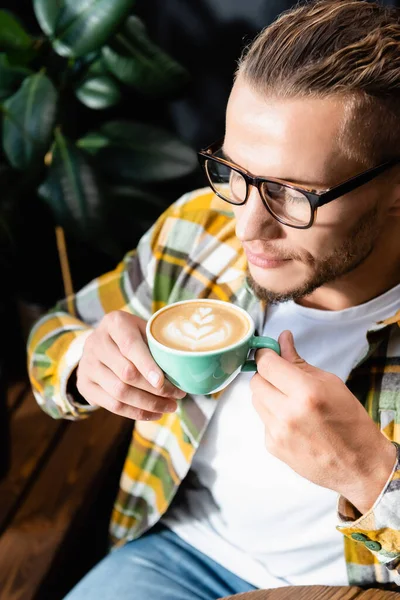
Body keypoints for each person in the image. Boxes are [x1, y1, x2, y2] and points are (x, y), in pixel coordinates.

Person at [28, 1, 400, 598]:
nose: (248, 227)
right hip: (176, 553)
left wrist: (372, 475)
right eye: (234, 173)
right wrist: (83, 365)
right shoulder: (198, 227)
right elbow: (56, 332)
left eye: (291, 193)